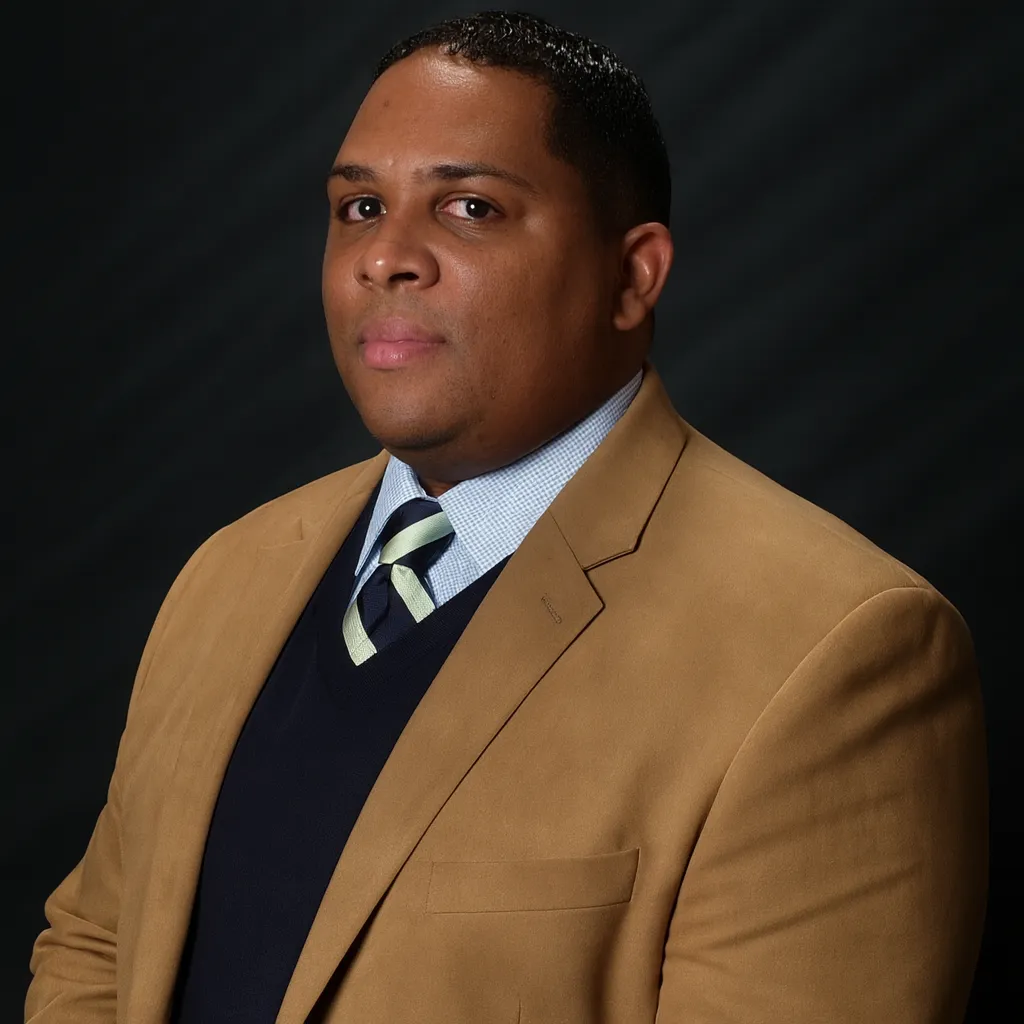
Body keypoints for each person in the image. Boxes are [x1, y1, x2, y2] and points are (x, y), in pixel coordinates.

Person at [26, 11, 987, 1023]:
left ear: (632, 276)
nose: (385, 257)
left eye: (470, 207)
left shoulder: (835, 649)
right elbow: (99, 943)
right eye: (360, 206)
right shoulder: (228, 572)